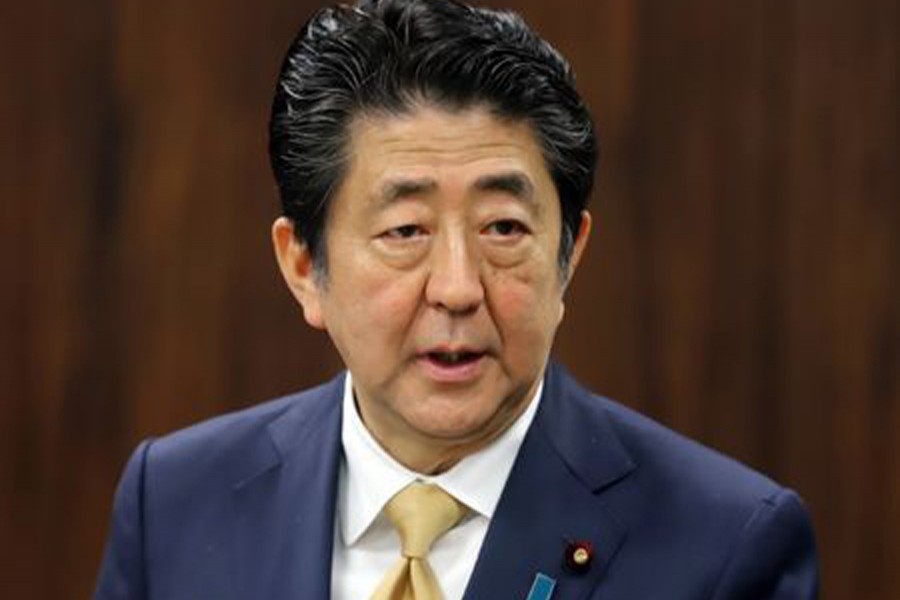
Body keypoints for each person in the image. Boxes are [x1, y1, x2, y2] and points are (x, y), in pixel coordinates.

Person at [94, 0, 819, 598]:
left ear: (570, 255)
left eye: (503, 228)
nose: (457, 289)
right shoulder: (175, 504)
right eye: (405, 230)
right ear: (303, 266)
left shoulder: (730, 547)